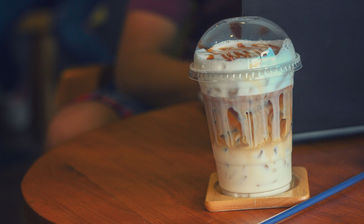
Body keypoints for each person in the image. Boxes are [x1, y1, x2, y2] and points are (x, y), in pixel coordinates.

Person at [45, 0, 241, 149]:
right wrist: (229, 80)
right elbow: (135, 66)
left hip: (262, 101)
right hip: (195, 88)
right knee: (75, 127)